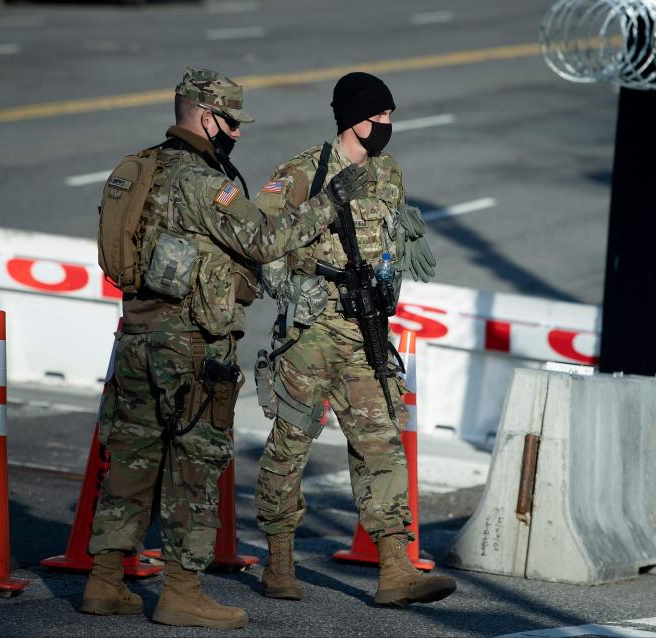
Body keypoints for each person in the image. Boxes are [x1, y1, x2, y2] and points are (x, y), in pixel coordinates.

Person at [82, 67, 369, 629]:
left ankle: (105, 582)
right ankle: (182, 591)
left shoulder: (137, 167)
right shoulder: (201, 181)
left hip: (137, 335)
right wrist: (328, 203)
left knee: (132, 463)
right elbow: (263, 241)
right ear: (206, 115)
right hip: (191, 347)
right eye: (230, 122)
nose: (236, 134)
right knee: (195, 464)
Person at [252, 71, 452, 606]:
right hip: (310, 334)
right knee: (291, 444)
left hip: (364, 329)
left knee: (381, 442)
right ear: (353, 119)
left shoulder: (388, 172)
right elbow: (261, 240)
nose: (386, 126)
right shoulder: (301, 172)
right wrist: (291, 289)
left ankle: (394, 568)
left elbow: (391, 240)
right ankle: (278, 560)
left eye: (390, 116)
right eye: (378, 116)